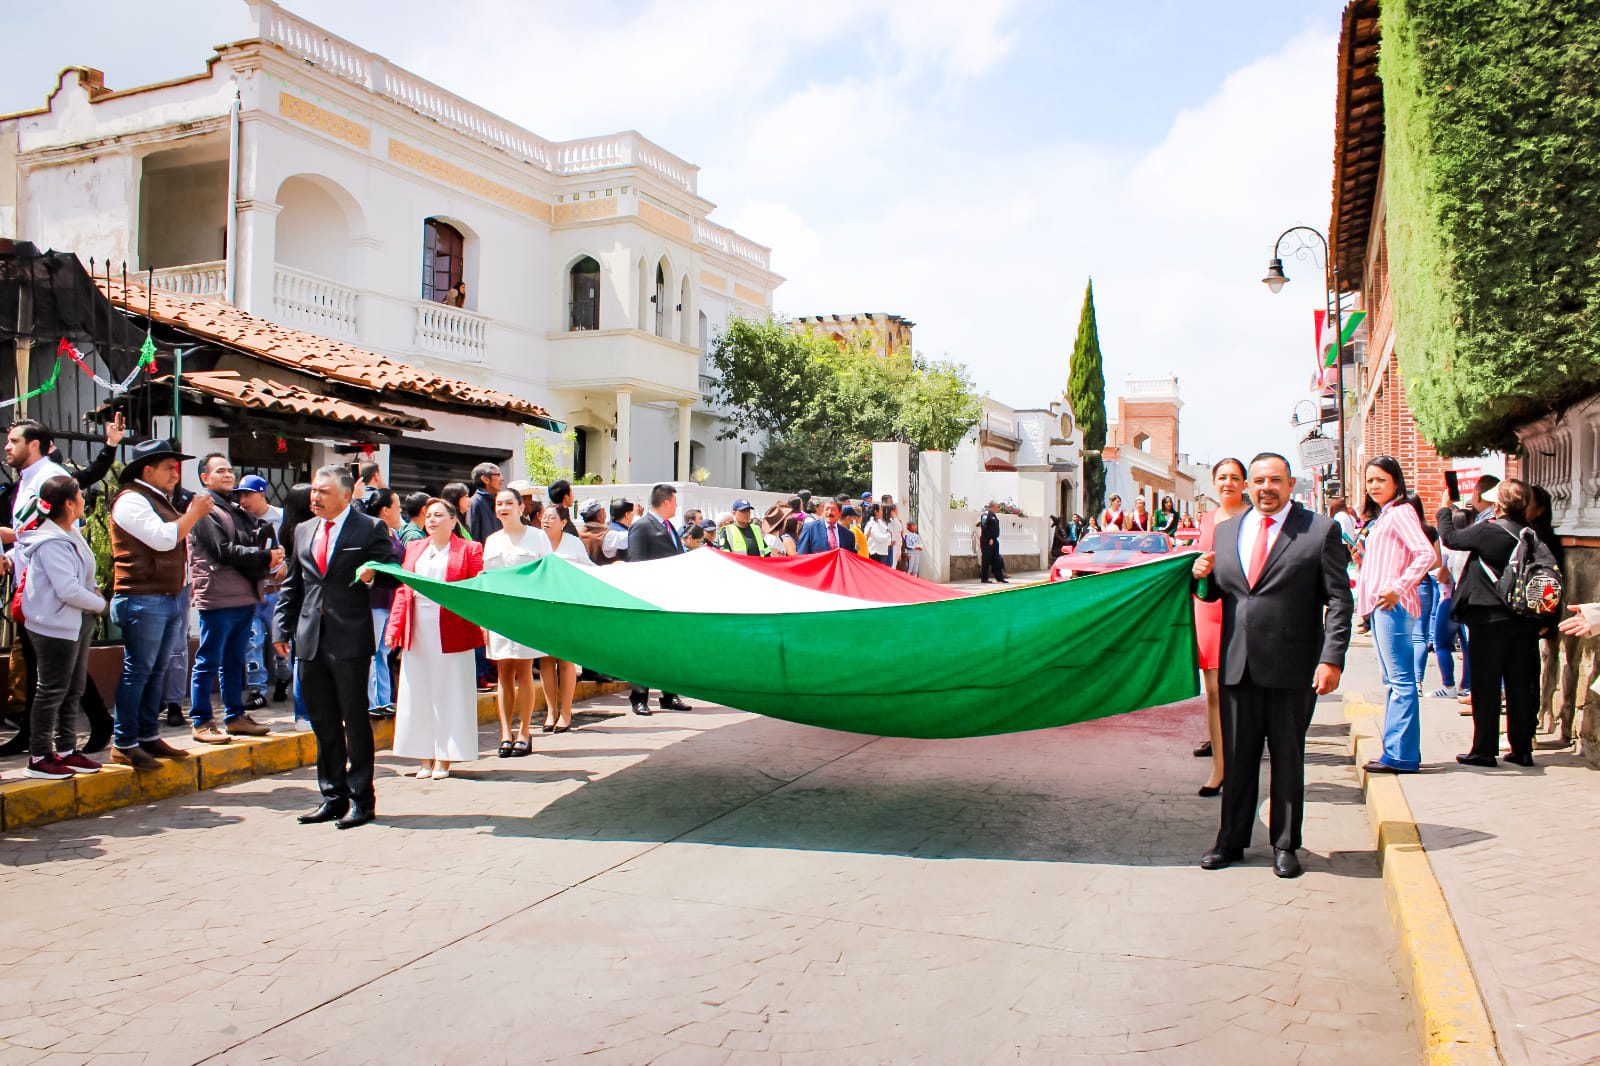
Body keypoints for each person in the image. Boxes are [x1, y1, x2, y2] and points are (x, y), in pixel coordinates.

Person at [1192, 452, 1352, 879]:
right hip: (1238, 664)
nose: (1266, 488)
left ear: (1290, 483)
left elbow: (1339, 601)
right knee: (1239, 757)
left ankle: (1285, 844)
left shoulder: (1319, 531)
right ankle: (1230, 841)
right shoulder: (1226, 534)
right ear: (1250, 485)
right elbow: (1216, 595)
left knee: (1286, 758)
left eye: (1275, 480)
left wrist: (1331, 659)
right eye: (1259, 481)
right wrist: (1200, 576)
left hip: (1293, 666)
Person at [273, 466, 397, 828]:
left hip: (350, 637)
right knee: (324, 722)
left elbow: (393, 569)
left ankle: (362, 798)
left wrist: (375, 572)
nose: (315, 497)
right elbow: (294, 583)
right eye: (314, 490)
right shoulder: (302, 530)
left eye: (324, 492)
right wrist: (282, 628)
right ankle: (332, 796)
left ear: (345, 495)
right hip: (311, 637)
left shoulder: (369, 528)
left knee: (355, 720)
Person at [107, 440, 214, 769]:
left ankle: (147, 735)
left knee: (156, 670)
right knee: (138, 670)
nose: (175, 472)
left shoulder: (159, 500)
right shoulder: (131, 501)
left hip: (166, 596)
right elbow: (164, 538)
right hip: (143, 596)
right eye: (168, 467)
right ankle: (125, 741)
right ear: (147, 470)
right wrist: (193, 515)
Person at [1437, 478, 1543, 767]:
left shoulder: (1488, 531)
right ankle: (1522, 750)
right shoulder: (1532, 534)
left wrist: (1445, 511)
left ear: (1498, 504)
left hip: (1488, 619)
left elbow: (1451, 539)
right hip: (1524, 619)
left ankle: (1484, 749)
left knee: (1486, 685)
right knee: (1520, 686)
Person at [385, 498, 484, 780]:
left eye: (439, 515)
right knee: (418, 692)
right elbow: (405, 589)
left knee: (450, 691)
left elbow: (477, 590)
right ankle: (424, 756)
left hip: (452, 628)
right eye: (429, 515)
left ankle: (446, 755)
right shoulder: (415, 547)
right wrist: (394, 627)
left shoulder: (469, 549)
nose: (432, 520)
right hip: (417, 627)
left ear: (454, 521)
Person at [186, 453, 281, 744]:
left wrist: (271, 554)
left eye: (229, 470)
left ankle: (235, 716)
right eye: (220, 471)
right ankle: (201, 720)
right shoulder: (204, 509)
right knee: (209, 659)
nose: (228, 475)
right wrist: (265, 556)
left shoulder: (236, 509)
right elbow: (223, 550)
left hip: (243, 594)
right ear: (205, 478)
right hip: (217, 594)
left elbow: (249, 543)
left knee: (234, 660)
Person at [17, 476, 106, 779]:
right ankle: (39, 755)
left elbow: (83, 577)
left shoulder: (70, 533)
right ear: (69, 504)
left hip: (76, 621)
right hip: (54, 625)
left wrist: (92, 598)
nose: (84, 498)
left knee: (73, 688)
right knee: (52, 690)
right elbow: (67, 589)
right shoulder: (51, 542)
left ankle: (67, 749)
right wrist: (99, 604)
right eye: (79, 494)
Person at [1355, 458, 1437, 775]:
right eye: (1370, 480)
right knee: (1393, 681)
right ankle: (1397, 751)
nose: (1374, 486)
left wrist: (1399, 587)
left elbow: (1426, 553)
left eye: (1380, 480)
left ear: (1395, 482)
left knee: (1401, 682)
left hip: (1393, 606)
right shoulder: (1385, 515)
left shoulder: (1401, 511)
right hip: (1381, 607)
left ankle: (1400, 755)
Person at [1192, 458, 1251, 796]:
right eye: (1222, 477)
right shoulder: (1207, 518)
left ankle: (1243, 758)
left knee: (1241, 691)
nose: (1228, 482)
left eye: (1235, 478)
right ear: (1214, 482)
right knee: (1213, 692)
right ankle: (1219, 768)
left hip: (1242, 609)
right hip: (1208, 609)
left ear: (1244, 483)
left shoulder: (1252, 518)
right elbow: (1198, 560)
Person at [483, 488, 543, 753]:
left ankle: (525, 731)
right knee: (503, 673)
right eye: (499, 503)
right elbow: (487, 580)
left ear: (521, 507)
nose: (503, 507)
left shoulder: (537, 537)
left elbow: (546, 575)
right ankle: (505, 733)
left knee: (524, 671)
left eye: (509, 503)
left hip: (527, 613)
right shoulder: (492, 540)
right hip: (499, 613)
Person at [625, 484, 692, 715]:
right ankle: (639, 697)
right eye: (674, 501)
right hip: (648, 597)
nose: (675, 506)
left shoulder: (669, 526)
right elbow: (636, 563)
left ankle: (669, 695)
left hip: (670, 597)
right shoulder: (642, 526)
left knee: (669, 648)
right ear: (665, 502)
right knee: (644, 649)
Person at [535, 504, 596, 730]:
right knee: (546, 660)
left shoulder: (573, 543)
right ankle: (551, 711)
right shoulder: (535, 541)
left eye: (552, 517)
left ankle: (566, 712)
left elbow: (588, 569)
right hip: (542, 608)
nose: (546, 521)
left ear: (563, 522)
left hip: (567, 608)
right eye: (544, 517)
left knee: (566, 659)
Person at [235, 475, 289, 708]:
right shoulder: (238, 519)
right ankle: (256, 690)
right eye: (240, 495)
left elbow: (297, 547)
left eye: (248, 495)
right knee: (252, 642)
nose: (243, 500)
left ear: (261, 493)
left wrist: (287, 564)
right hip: (251, 590)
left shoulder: (282, 517)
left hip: (277, 591)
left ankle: (283, 681)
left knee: (282, 643)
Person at [363, 488, 405, 720]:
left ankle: (384, 699)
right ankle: (370, 701)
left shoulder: (395, 534)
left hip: (391, 599)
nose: (400, 511)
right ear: (385, 510)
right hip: (375, 600)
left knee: (384, 651)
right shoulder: (370, 531)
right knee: (372, 650)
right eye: (397, 506)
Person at [278, 484, 315, 728]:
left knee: (301, 660)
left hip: (298, 605)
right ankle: (304, 714)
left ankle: (302, 715)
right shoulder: (306, 533)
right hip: (305, 603)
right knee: (304, 661)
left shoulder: (287, 530)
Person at [466, 462, 502, 544]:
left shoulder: (498, 501)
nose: (501, 479)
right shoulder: (475, 502)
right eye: (498, 475)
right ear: (485, 479)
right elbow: (472, 537)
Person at [976, 501, 1007, 583]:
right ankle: (984, 578)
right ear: (992, 506)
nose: (998, 508)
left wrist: (993, 538)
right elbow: (984, 526)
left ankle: (999, 578)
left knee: (996, 559)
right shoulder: (986, 514)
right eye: (997, 507)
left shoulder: (993, 514)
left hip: (994, 540)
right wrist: (990, 538)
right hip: (987, 540)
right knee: (986, 559)